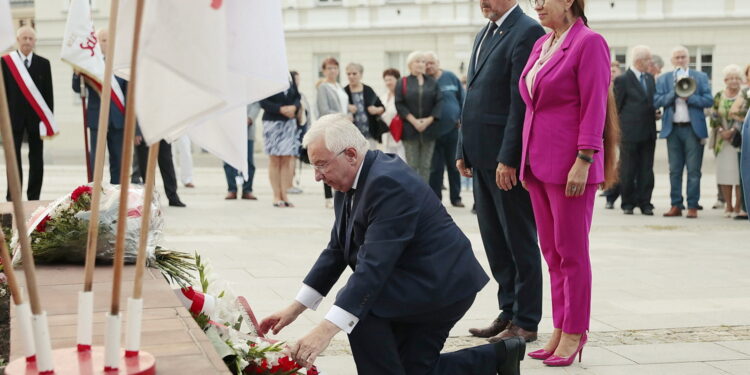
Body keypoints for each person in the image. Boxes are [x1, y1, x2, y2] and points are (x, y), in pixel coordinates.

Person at [259, 113, 526, 375]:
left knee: (359, 310)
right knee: (413, 369)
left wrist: (324, 331)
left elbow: (373, 269)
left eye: (321, 165)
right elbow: (337, 249)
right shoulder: (348, 179)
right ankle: (500, 355)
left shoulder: (388, 183)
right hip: (412, 280)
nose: (317, 176)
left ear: (350, 154)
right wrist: (296, 308)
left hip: (441, 285)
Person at [520, 0, 619, 366]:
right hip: (537, 163)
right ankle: (560, 327)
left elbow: (595, 103)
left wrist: (585, 157)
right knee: (552, 252)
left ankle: (576, 331)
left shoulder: (588, 42)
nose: (538, 5)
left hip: (571, 165)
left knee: (572, 253)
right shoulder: (542, 43)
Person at [457, 0, 544, 345]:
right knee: (495, 242)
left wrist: (509, 158)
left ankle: (526, 319)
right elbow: (472, 95)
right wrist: (462, 148)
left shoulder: (527, 31)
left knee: (518, 240)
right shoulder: (484, 33)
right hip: (479, 157)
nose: (483, 2)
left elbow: (519, 101)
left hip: (504, 161)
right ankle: (508, 310)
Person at [654, 46, 714, 218]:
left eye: (683, 57)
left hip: (693, 129)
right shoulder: (665, 79)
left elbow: (708, 99)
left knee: (694, 170)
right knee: (675, 170)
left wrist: (690, 97)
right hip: (673, 129)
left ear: (688, 59)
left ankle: (693, 205)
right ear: (673, 60)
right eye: (677, 57)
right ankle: (676, 205)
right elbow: (657, 100)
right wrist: (675, 93)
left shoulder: (700, 77)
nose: (680, 60)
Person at [2, 26, 53, 201]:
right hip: (13, 120)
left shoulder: (44, 64)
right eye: (24, 38)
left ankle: (34, 197)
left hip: (36, 121)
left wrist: (47, 121)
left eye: (31, 38)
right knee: (13, 161)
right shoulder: (6, 63)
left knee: (36, 161)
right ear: (18, 40)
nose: (27, 42)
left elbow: (48, 95)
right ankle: (13, 196)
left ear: (35, 42)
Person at [71, 28, 124, 185]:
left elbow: (127, 93)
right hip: (97, 118)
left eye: (109, 40)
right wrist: (76, 74)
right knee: (96, 160)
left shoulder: (120, 64)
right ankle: (96, 192)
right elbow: (76, 88)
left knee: (118, 160)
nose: (106, 43)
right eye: (103, 40)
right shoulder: (89, 64)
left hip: (117, 118)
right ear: (96, 42)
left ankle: (116, 193)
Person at [613, 45, 657, 215]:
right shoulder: (623, 80)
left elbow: (650, 102)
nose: (650, 62)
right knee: (628, 169)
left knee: (647, 169)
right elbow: (617, 107)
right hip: (629, 133)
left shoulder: (650, 78)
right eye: (648, 59)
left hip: (649, 132)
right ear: (639, 61)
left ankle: (645, 202)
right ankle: (628, 203)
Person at [424, 51, 465, 208]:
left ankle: (456, 198)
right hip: (433, 131)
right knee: (435, 168)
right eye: (426, 63)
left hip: (453, 130)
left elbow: (463, 98)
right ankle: (436, 199)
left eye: (431, 63)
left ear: (438, 63)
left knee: (455, 166)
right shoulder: (424, 81)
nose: (428, 66)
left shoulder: (450, 77)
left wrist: (461, 118)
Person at [395, 51, 443, 182]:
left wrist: (428, 120)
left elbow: (439, 102)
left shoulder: (432, 82)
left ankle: (424, 197)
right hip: (410, 130)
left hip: (429, 130)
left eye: (423, 61)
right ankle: (413, 196)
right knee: (412, 165)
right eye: (418, 61)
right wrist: (414, 122)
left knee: (426, 166)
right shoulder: (402, 82)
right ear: (410, 64)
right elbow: (399, 104)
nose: (422, 64)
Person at [260, 72, 301, 208]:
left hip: (289, 123)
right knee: (275, 160)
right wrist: (279, 109)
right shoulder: (266, 77)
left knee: (287, 159)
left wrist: (294, 107)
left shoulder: (289, 76)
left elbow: (297, 96)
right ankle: (276, 195)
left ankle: (284, 195)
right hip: (272, 123)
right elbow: (263, 101)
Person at [709, 65, 744, 218]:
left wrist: (733, 130)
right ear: (725, 81)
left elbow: (745, 115)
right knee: (724, 174)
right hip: (722, 140)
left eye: (737, 78)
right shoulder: (719, 96)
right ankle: (728, 205)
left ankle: (738, 206)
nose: (734, 81)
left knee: (738, 176)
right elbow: (714, 114)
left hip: (738, 139)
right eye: (731, 78)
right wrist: (722, 131)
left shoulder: (745, 95)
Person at [316, 57, 351, 208]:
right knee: (328, 161)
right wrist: (343, 116)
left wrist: (349, 112)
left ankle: (341, 192)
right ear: (324, 71)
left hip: (342, 127)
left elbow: (344, 106)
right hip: (330, 127)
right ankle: (328, 196)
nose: (332, 71)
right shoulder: (323, 87)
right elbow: (324, 110)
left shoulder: (339, 87)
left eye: (335, 68)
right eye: (329, 68)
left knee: (340, 160)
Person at [134, 132, 186, 207]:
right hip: (144, 131)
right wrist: (137, 132)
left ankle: (173, 196)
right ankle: (150, 197)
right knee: (146, 167)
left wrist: (174, 132)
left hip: (162, 132)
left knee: (167, 163)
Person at [344, 63, 385, 149]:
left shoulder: (368, 90)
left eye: (354, 73)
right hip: (351, 136)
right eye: (349, 74)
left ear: (361, 75)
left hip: (370, 134)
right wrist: (347, 107)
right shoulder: (343, 92)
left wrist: (376, 110)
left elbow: (382, 107)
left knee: (371, 159)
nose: (351, 76)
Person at [223, 102, 259, 200]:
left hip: (248, 130)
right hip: (230, 129)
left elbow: (256, 104)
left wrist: (249, 119)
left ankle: (247, 190)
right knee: (229, 161)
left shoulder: (251, 88)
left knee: (249, 162)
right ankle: (232, 189)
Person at [602, 61, 623, 209]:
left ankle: (615, 192)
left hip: (622, 131)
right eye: (610, 70)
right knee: (611, 163)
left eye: (614, 70)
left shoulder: (622, 85)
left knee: (619, 166)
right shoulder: (604, 85)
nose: (612, 73)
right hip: (608, 133)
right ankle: (610, 194)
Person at [288, 71, 310, 195]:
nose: (297, 81)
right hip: (293, 131)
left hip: (301, 130)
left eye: (298, 79)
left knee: (294, 158)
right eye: (295, 79)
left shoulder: (301, 95)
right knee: (290, 158)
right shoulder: (291, 96)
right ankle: (289, 184)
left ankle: (291, 183)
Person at [379, 68, 406, 161]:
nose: (388, 83)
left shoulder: (403, 96)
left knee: (402, 160)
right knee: (388, 162)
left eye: (390, 79)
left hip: (399, 135)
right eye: (386, 80)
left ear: (397, 80)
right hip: (387, 135)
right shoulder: (383, 97)